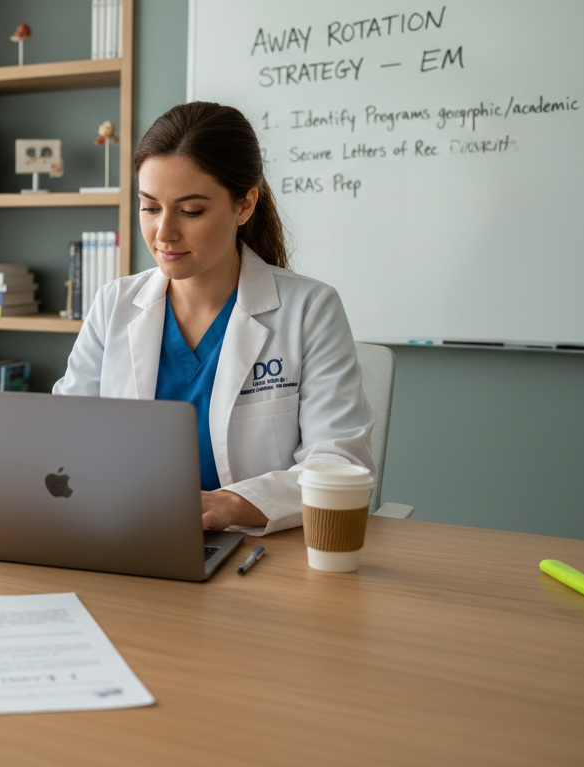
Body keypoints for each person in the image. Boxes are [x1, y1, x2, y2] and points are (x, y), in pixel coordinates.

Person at [52, 102, 374, 537]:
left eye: (191, 211)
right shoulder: (114, 304)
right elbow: (63, 439)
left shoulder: (310, 309)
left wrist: (229, 505)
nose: (164, 233)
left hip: (259, 553)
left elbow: (339, 465)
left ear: (244, 205)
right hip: (129, 534)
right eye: (150, 207)